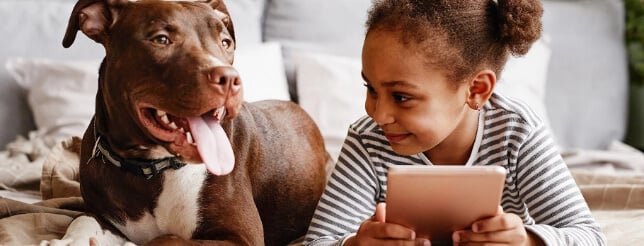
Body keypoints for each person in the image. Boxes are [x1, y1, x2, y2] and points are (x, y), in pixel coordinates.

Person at [303, 0, 607, 245]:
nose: (377, 114)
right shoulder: (367, 141)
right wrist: (354, 244)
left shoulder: (517, 133)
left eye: (401, 96)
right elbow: (317, 241)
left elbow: (589, 236)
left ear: (476, 90)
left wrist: (529, 241)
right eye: (370, 89)